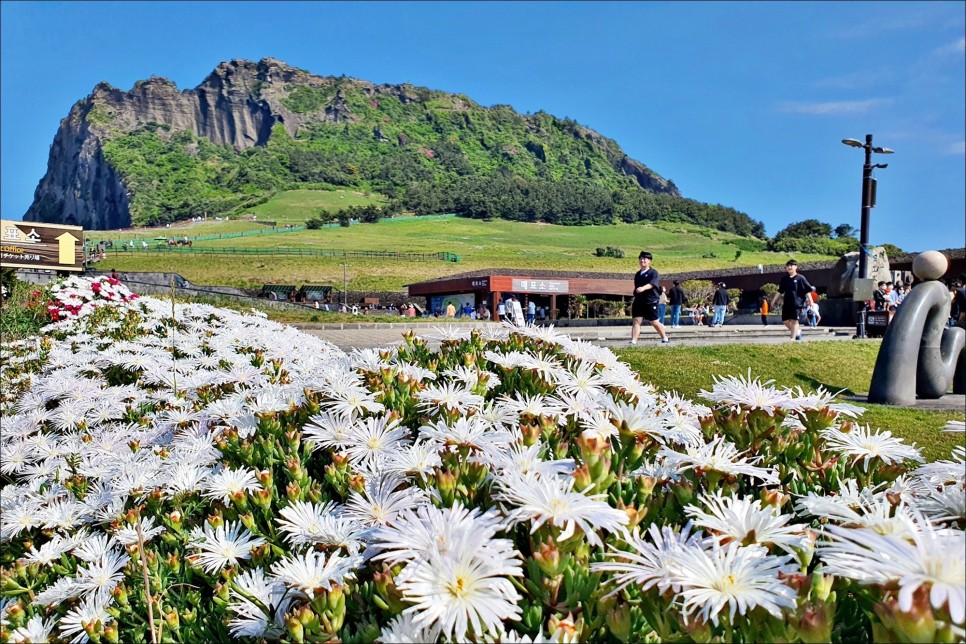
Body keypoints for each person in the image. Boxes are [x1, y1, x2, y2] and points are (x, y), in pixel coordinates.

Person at [629, 251, 670, 345]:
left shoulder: (653, 273)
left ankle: (664, 337)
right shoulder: (638, 274)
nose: (642, 260)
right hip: (639, 300)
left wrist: (643, 288)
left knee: (654, 321)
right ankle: (633, 340)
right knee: (636, 320)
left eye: (645, 259)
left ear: (649, 261)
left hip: (650, 300)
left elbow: (652, 284)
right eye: (641, 259)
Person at [774, 259, 813, 341]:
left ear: (796, 267)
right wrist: (774, 300)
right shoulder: (784, 279)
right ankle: (797, 332)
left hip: (797, 304)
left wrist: (811, 301)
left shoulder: (800, 278)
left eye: (791, 265)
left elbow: (807, 291)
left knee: (794, 321)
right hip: (787, 303)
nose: (789, 267)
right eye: (787, 266)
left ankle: (793, 338)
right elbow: (780, 291)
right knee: (785, 321)